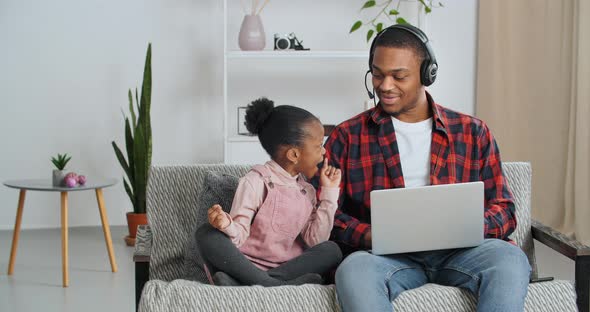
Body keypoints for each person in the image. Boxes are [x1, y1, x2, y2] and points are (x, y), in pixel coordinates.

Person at [322, 24, 531, 311]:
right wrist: (370, 235)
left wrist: (468, 227)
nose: (384, 85)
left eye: (399, 76)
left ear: (426, 74)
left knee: (509, 259)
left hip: (462, 253)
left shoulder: (472, 131)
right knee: (353, 269)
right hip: (385, 257)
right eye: (378, 74)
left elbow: (504, 209)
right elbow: (324, 213)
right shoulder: (347, 136)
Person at [196, 97, 343, 286]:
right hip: (245, 265)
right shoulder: (255, 181)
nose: (323, 152)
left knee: (332, 250)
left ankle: (253, 284)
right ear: (294, 155)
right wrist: (226, 224)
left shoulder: (308, 191)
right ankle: (274, 285)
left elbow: (316, 241)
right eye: (318, 146)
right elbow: (239, 235)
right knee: (206, 234)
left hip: (288, 268)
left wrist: (330, 193)